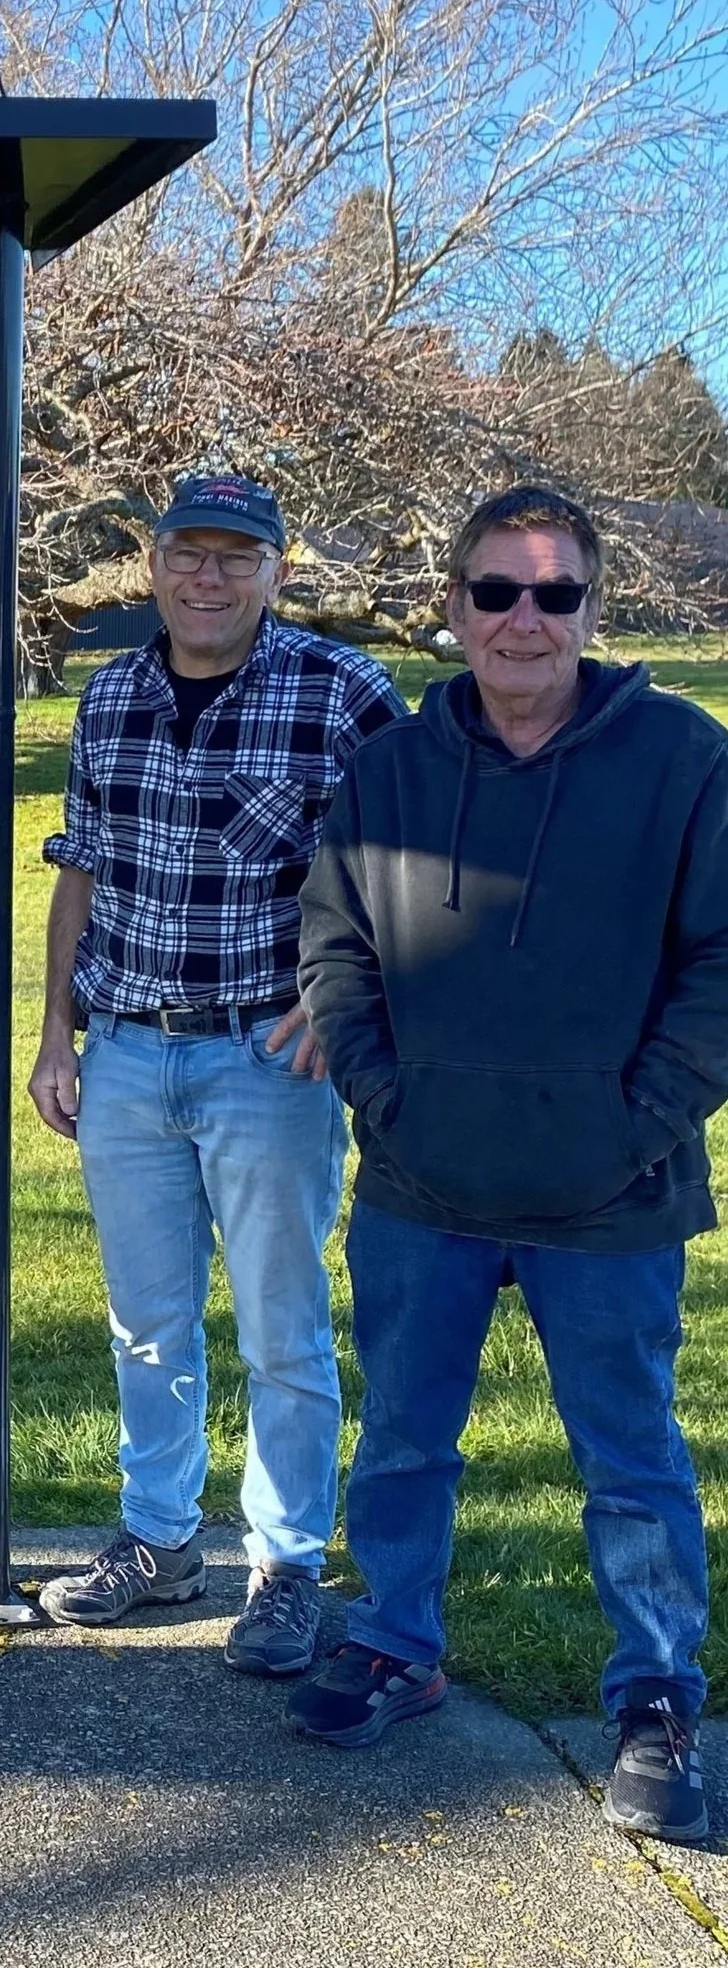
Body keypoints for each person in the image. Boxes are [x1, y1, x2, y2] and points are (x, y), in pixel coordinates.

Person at [291, 486, 724, 1844]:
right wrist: (386, 1099)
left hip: (614, 1192)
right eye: (495, 590)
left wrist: (634, 1121)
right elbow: (335, 944)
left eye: (553, 591)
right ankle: (393, 1639)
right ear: (455, 605)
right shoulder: (391, 769)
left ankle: (655, 1695)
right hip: (422, 1185)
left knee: (631, 1458)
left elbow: (723, 964)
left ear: (595, 605)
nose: (523, 618)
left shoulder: (684, 757)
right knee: (403, 1437)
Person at [28, 472, 405, 1671]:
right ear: (152, 563)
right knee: (146, 1322)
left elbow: (408, 863)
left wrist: (338, 999)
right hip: (129, 1048)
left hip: (267, 1055)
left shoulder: (342, 689)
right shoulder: (111, 694)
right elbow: (80, 868)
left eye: (237, 556)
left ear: (277, 571)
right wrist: (56, 1031)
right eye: (189, 552)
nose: (209, 576)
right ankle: (159, 1538)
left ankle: (285, 1566)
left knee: (282, 1329)